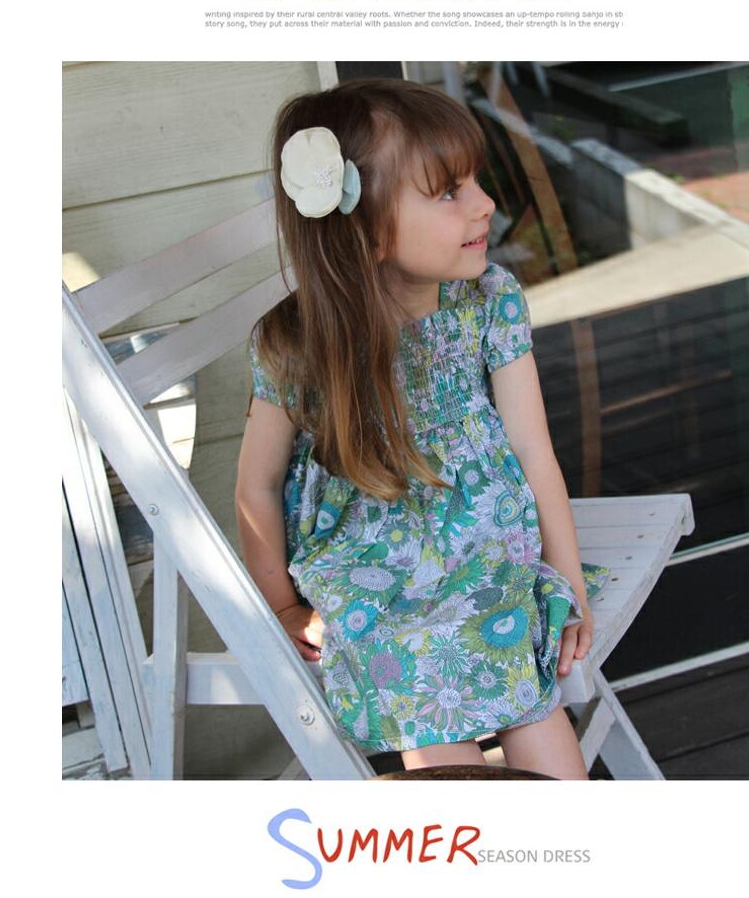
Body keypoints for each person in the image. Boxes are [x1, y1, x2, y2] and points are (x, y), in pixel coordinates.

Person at [235, 78, 610, 780]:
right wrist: (282, 605)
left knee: (517, 640)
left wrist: (569, 586)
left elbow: (534, 449)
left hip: (481, 536)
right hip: (368, 562)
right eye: (448, 193)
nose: (485, 204)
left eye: (475, 182)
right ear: (366, 228)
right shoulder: (296, 343)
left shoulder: (488, 301)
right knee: (412, 662)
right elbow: (256, 487)